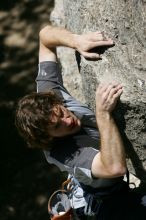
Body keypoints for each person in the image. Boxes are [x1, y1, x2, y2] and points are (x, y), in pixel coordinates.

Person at [15, 25, 146, 219]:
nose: (68, 120)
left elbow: (44, 36)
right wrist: (103, 114)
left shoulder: (50, 96)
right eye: (58, 126)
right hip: (109, 195)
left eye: (61, 112)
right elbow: (115, 168)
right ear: (48, 138)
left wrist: (76, 41)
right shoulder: (62, 152)